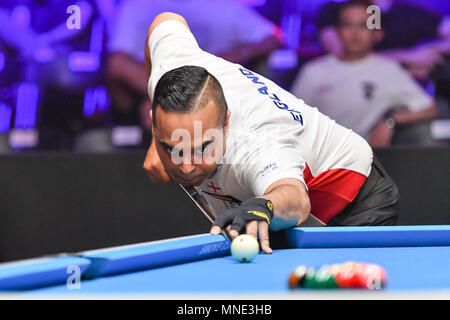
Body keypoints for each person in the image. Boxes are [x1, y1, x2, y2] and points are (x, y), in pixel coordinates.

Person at [143, 12, 399, 253]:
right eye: (175, 149)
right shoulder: (170, 68)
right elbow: (165, 21)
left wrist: (264, 205)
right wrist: (159, 140)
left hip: (350, 197)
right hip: (271, 204)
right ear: (154, 119)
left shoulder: (258, 140)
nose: (186, 167)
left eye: (201, 148)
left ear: (226, 123)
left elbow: (295, 199)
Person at [106, 0, 282, 130]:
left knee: (154, 112)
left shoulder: (222, 7)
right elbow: (118, 61)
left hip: (208, 87)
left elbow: (274, 37)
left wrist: (238, 54)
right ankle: (176, 102)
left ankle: (176, 104)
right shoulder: (137, 6)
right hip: (154, 86)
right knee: (119, 67)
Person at [291, 0, 438, 147]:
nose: (355, 33)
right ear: (337, 31)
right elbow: (291, 120)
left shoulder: (388, 71)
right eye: (348, 25)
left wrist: (390, 120)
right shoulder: (314, 72)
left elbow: (429, 108)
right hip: (318, 155)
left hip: (367, 158)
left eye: (364, 25)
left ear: (378, 33)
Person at [316, 0, 450, 81]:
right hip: (350, 88)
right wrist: (409, 57)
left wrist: (430, 51)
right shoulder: (336, 10)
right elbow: (342, 55)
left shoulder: (410, 12)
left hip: (402, 91)